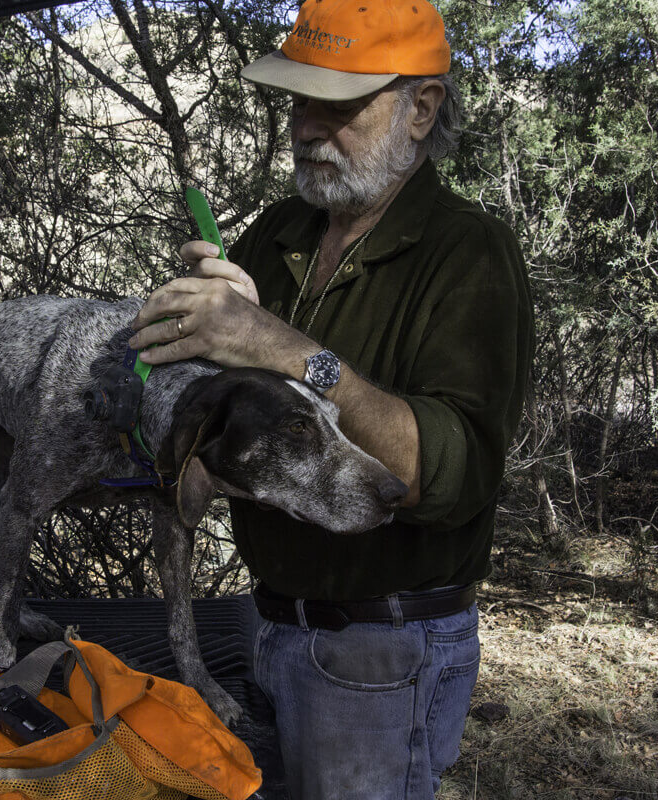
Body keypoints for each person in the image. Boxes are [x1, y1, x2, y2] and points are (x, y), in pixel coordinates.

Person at [128, 0, 533, 796]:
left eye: (338, 105)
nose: (309, 127)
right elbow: (221, 428)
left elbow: (439, 476)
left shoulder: (468, 252)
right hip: (271, 624)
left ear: (420, 108)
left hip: (383, 651)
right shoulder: (282, 231)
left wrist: (277, 346)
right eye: (298, 102)